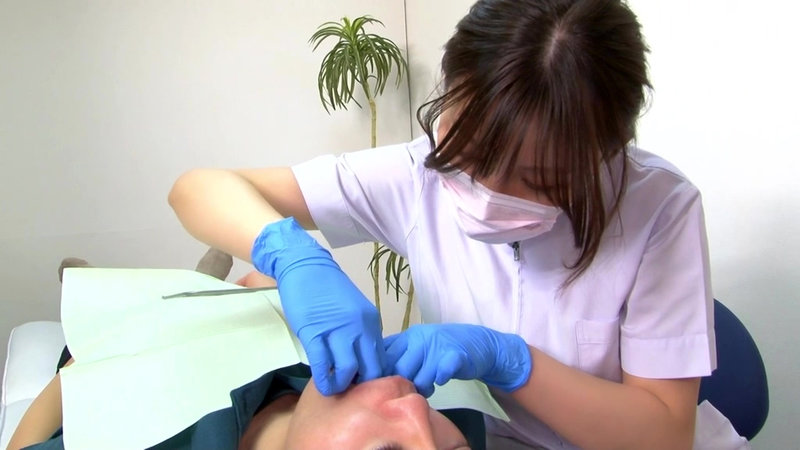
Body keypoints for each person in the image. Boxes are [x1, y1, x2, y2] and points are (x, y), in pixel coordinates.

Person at [168, 0, 715, 448]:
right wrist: (291, 255)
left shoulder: (658, 208)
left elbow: (664, 435)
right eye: (467, 153)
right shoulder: (413, 175)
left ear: (602, 155)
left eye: (537, 179)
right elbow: (197, 190)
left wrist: (514, 363)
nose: (489, 191)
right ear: (449, 89)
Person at [8, 261, 483, 450]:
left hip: (113, 349)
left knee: (120, 294)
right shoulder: (459, 416)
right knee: (237, 280)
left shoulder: (161, 435)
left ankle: (91, 270)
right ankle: (206, 274)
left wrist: (85, 365)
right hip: (235, 319)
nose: (416, 409)